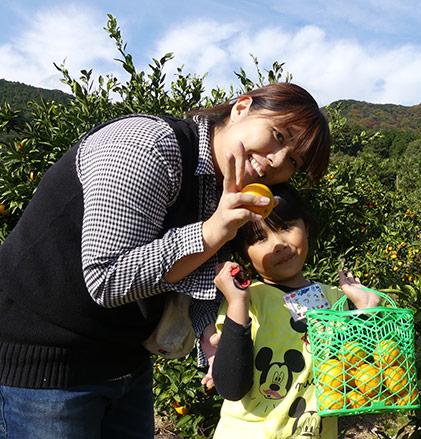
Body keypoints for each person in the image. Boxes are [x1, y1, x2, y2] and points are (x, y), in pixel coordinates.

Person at [0, 83, 330, 438]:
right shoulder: (148, 147)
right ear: (242, 107)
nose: (277, 161)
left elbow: (195, 272)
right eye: (278, 135)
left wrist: (208, 331)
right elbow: (106, 278)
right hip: (44, 363)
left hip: (125, 360)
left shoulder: (223, 186)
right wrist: (211, 231)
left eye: (294, 161)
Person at [209, 183, 380, 439]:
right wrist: (236, 303)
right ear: (245, 253)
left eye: (285, 227)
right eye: (259, 238)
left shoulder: (334, 299)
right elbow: (231, 388)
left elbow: (357, 376)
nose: (277, 244)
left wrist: (366, 310)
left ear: (306, 227)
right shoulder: (248, 299)